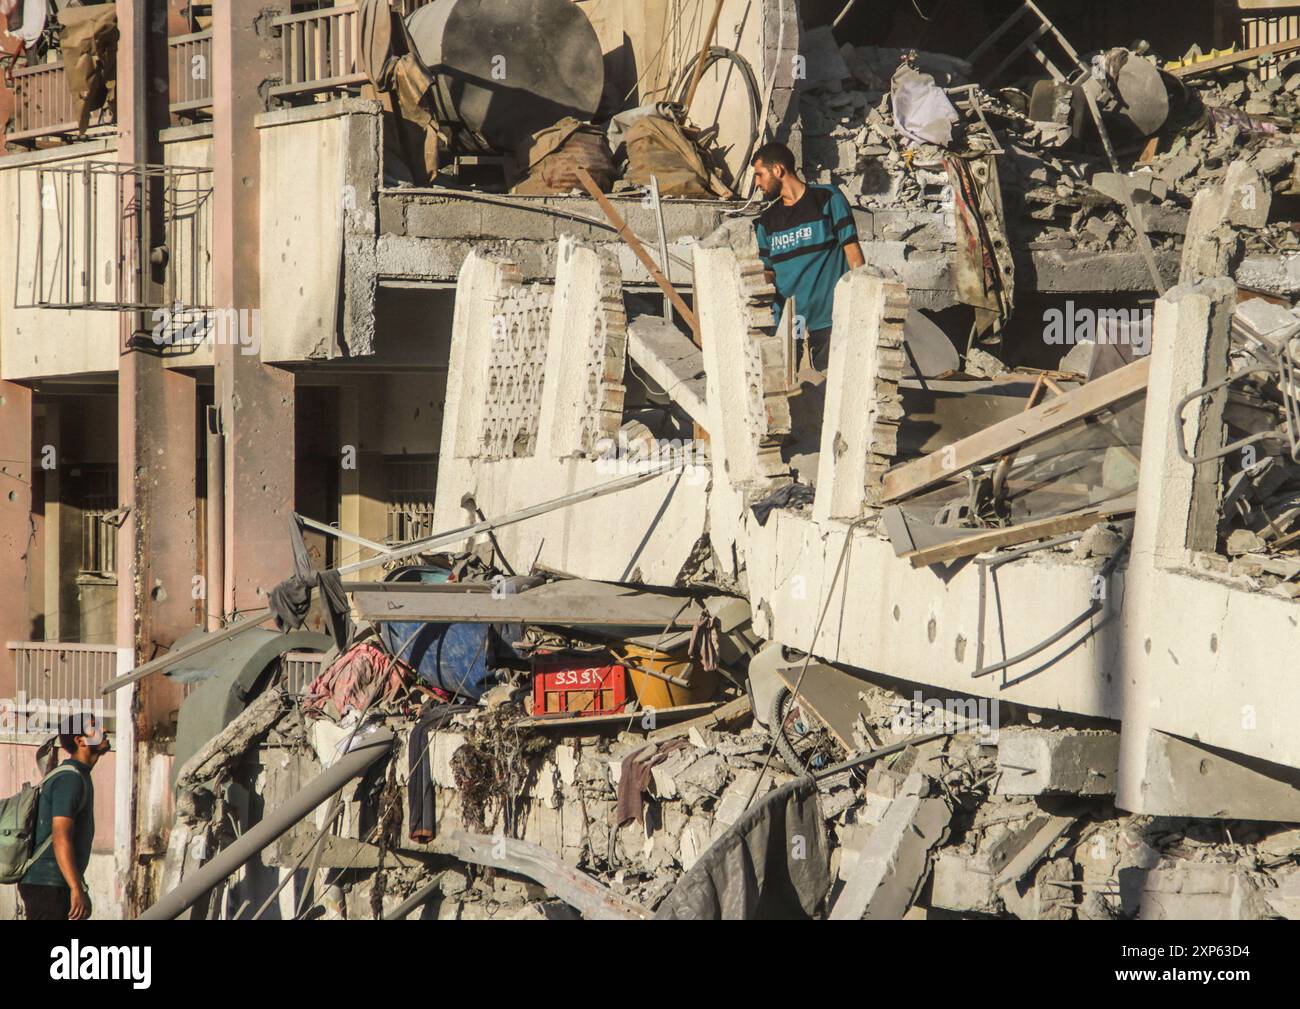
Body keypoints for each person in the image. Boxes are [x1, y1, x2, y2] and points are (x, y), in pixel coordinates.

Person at [751, 142, 865, 372]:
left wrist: (861, 305)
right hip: (792, 325)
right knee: (796, 395)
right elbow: (768, 270)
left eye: (759, 174)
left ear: (778, 170)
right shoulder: (767, 222)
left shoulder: (827, 198)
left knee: (833, 388)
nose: (757, 183)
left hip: (832, 321)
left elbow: (853, 251)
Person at [19, 712, 110, 920]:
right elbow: (61, 836)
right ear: (80, 741)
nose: (104, 731)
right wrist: (76, 888)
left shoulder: (79, 775)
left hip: (54, 884)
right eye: (95, 728)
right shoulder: (70, 779)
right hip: (48, 885)